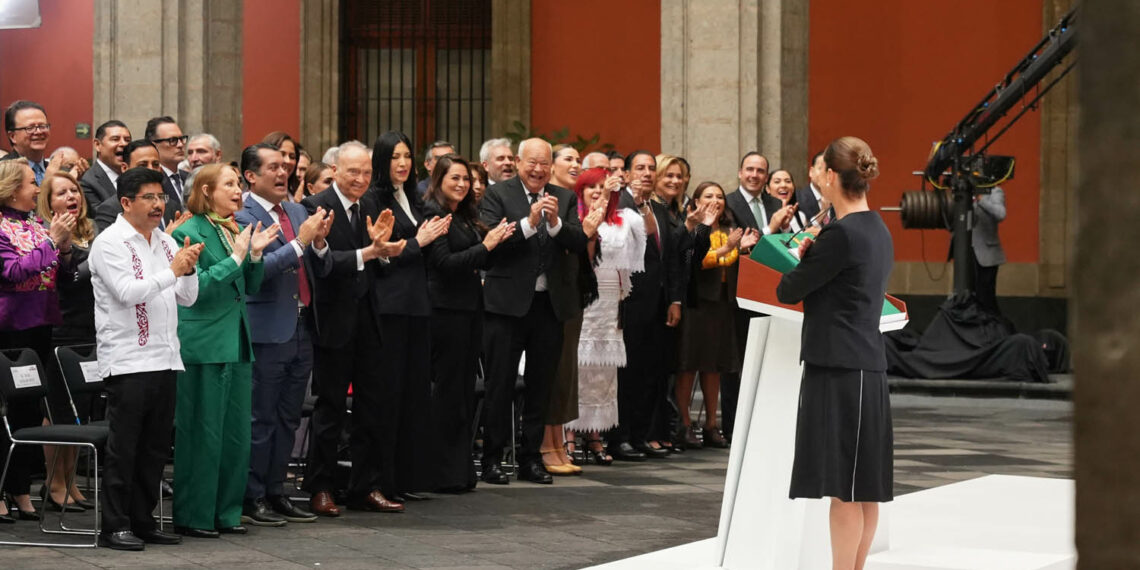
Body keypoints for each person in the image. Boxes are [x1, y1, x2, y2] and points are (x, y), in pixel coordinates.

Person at [775, 136, 893, 570]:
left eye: (820, 169)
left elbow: (788, 289)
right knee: (865, 487)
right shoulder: (875, 226)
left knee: (843, 488)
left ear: (829, 176)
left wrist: (804, 254)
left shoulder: (839, 234)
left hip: (840, 368)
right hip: (867, 365)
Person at [89, 166, 203, 550]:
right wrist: (173, 271)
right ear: (126, 202)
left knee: (155, 449)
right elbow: (127, 292)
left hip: (166, 357)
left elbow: (188, 297)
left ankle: (143, 519)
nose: (159, 205)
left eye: (161, 197)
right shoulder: (110, 243)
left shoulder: (165, 241)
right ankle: (115, 525)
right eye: (150, 198)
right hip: (128, 361)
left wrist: (188, 267)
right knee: (125, 449)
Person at [170, 163, 278, 537]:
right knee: (202, 433)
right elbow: (194, 290)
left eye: (237, 185)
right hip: (202, 343)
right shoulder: (188, 230)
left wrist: (254, 257)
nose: (238, 191)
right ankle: (194, 515)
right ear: (205, 191)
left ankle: (226, 513)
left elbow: (248, 285)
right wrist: (235, 259)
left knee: (234, 435)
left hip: (235, 339)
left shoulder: (232, 228)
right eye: (229, 184)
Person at [300, 141, 406, 516]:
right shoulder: (315, 207)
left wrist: (386, 252)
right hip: (332, 322)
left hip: (371, 320)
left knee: (371, 408)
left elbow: (380, 262)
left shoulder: (372, 205)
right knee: (329, 410)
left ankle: (366, 486)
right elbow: (322, 265)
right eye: (353, 172)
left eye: (366, 173)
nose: (361, 179)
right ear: (335, 170)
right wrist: (370, 253)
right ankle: (321, 487)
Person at [477, 137, 588, 485]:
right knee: (500, 385)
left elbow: (577, 241)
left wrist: (554, 224)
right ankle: (493, 459)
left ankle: (531, 458)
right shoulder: (498, 195)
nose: (538, 170)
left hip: (548, 307)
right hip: (506, 307)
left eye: (544, 164)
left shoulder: (565, 197)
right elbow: (492, 244)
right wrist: (528, 222)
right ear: (518, 163)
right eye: (532, 163)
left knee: (541, 385)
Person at [235, 144, 331, 526]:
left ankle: (277, 491)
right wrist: (302, 242)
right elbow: (256, 273)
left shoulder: (297, 210)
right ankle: (252, 494)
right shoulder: (242, 215)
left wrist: (320, 244)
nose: (283, 173)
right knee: (261, 417)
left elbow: (319, 269)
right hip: (266, 329)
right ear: (251, 176)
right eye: (273, 167)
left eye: (286, 166)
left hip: (302, 326)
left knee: (289, 418)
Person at [422, 154, 515, 491]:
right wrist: (487, 246)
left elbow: (475, 256)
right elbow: (444, 263)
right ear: (439, 180)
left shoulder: (463, 214)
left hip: (468, 310)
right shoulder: (434, 213)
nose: (462, 185)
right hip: (444, 312)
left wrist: (494, 242)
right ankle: (439, 471)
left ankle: (459, 470)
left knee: (463, 392)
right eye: (455, 179)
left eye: (466, 180)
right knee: (447, 392)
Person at [367, 131, 450, 502]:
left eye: (407, 156)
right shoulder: (373, 199)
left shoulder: (414, 198)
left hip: (417, 305)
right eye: (395, 157)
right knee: (388, 395)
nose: (403, 163)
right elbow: (382, 254)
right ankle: (379, 480)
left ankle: (404, 476)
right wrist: (420, 242)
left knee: (413, 394)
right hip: (389, 307)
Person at [0, 158, 75, 523]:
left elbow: (62, 277)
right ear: (13, 188)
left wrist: (65, 250)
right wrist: (52, 243)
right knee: (3, 413)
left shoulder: (36, 224)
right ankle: (1, 489)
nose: (37, 188)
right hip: (9, 329)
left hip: (41, 325)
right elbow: (12, 272)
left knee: (29, 410)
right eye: (32, 182)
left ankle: (20, 488)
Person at [565, 167, 644, 461]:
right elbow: (583, 255)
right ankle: (570, 434)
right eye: (591, 187)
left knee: (603, 371)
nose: (597, 191)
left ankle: (596, 434)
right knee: (578, 367)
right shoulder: (575, 219)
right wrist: (594, 214)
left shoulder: (622, 220)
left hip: (612, 300)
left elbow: (645, 234)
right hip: (584, 296)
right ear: (580, 191)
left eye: (602, 186)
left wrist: (622, 198)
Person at [675, 182, 759, 449]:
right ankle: (684, 424)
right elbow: (700, 260)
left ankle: (712, 424)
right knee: (689, 364)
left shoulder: (726, 230)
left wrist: (741, 248)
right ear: (696, 201)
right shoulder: (691, 227)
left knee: (715, 367)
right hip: (696, 303)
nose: (715, 200)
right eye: (708, 196)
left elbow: (727, 261)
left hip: (722, 304)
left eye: (720, 196)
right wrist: (729, 249)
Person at [612, 151, 683, 459]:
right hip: (628, 302)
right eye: (639, 168)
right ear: (626, 174)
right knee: (626, 373)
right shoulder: (619, 204)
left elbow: (670, 260)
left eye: (651, 168)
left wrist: (674, 299)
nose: (646, 173)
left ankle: (640, 435)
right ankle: (621, 436)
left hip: (657, 302)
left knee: (649, 373)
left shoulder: (657, 207)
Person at [36, 171, 99, 513]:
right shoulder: (46, 236)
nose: (71, 196)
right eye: (61, 193)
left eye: (74, 190)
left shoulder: (92, 233)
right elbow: (65, 280)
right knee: (58, 412)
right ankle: (54, 482)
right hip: (60, 330)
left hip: (90, 332)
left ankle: (71, 481)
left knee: (80, 414)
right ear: (48, 202)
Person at [543, 142, 587, 474]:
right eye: (568, 159)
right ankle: (547, 444)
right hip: (547, 296)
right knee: (552, 370)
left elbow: (576, 241)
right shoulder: (546, 196)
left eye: (578, 160)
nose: (576, 164)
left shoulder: (572, 199)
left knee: (565, 371)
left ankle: (558, 443)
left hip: (570, 294)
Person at [81, 120, 132, 214]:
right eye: (115, 139)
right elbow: (101, 216)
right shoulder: (87, 182)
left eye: (127, 140)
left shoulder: (135, 176)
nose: (124, 144)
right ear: (97, 145)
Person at [972, 187, 1006, 315]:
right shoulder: (964, 191)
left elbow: (1001, 214)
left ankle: (995, 326)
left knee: (986, 297)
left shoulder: (995, 191)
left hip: (987, 255)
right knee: (970, 295)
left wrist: (981, 199)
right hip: (968, 252)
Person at [145, 116, 189, 213]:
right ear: (153, 145)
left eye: (182, 139)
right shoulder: (150, 181)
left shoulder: (190, 178)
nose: (180, 145)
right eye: (172, 140)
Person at [2, 101, 51, 183]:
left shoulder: (56, 170)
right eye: (30, 128)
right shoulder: (3, 172)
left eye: (42, 126)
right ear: (12, 136)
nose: (38, 132)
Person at [262, 131, 302, 198]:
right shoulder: (245, 202)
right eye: (282, 154)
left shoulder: (300, 197)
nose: (288, 161)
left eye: (292, 156)